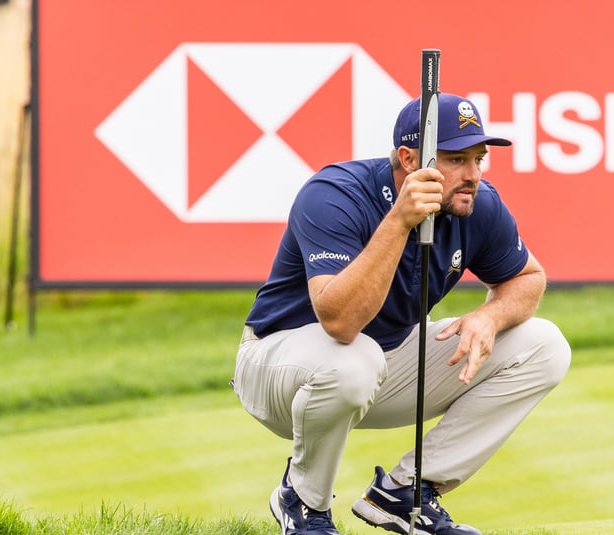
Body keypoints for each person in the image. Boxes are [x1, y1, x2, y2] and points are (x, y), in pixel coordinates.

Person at [231, 93, 572, 535]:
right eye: (456, 159)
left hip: (381, 360)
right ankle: (304, 502)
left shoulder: (475, 201)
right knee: (355, 356)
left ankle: (406, 493)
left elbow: (527, 278)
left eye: (479, 159)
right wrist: (399, 222)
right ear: (410, 159)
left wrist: (490, 317)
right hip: (279, 365)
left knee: (543, 345)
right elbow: (340, 321)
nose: (472, 175)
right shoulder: (335, 193)